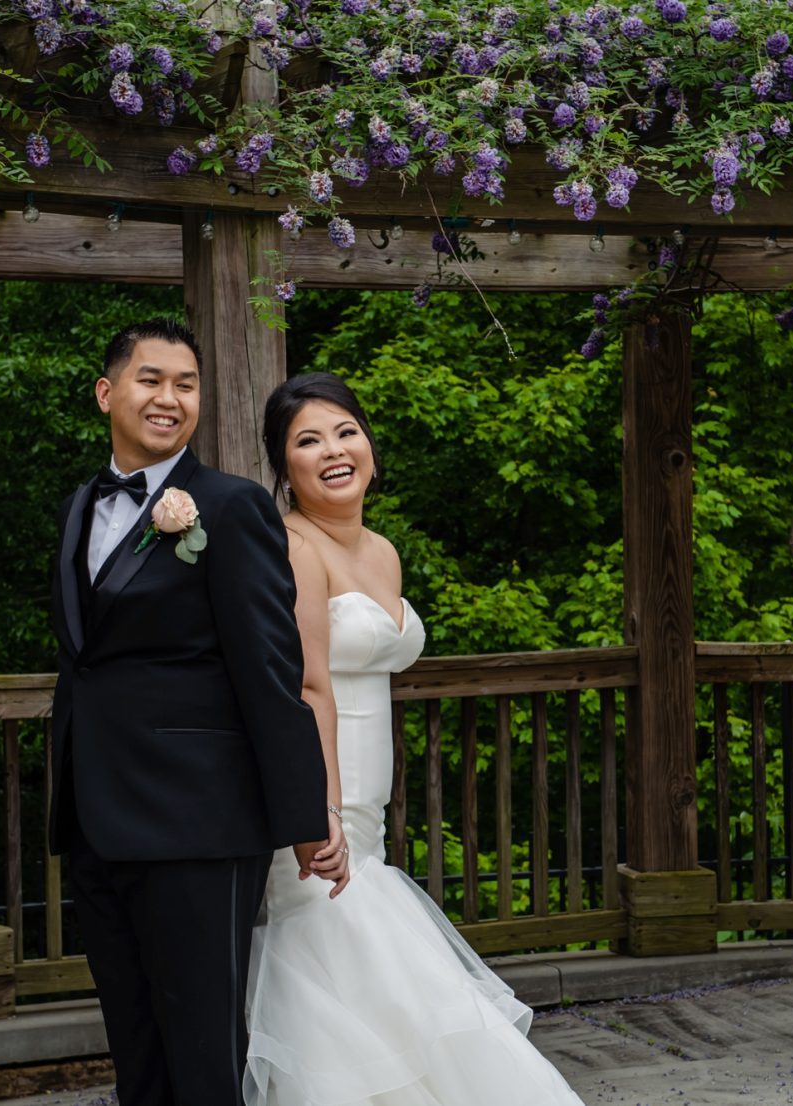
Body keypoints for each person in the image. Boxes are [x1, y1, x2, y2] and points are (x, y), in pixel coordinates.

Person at [243, 372, 586, 1105]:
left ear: (369, 443)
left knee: (375, 978)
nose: (333, 451)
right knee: (338, 960)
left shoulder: (384, 549)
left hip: (368, 806)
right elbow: (306, 686)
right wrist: (319, 811)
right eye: (307, 440)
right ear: (284, 465)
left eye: (346, 431)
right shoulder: (292, 549)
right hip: (320, 798)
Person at [47, 320, 346, 1106]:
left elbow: (269, 668)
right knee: (134, 1047)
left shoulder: (231, 507)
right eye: (151, 380)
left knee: (206, 1049)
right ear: (108, 393)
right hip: (95, 818)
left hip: (200, 819)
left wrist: (306, 811)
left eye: (186, 384)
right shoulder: (80, 505)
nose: (169, 398)